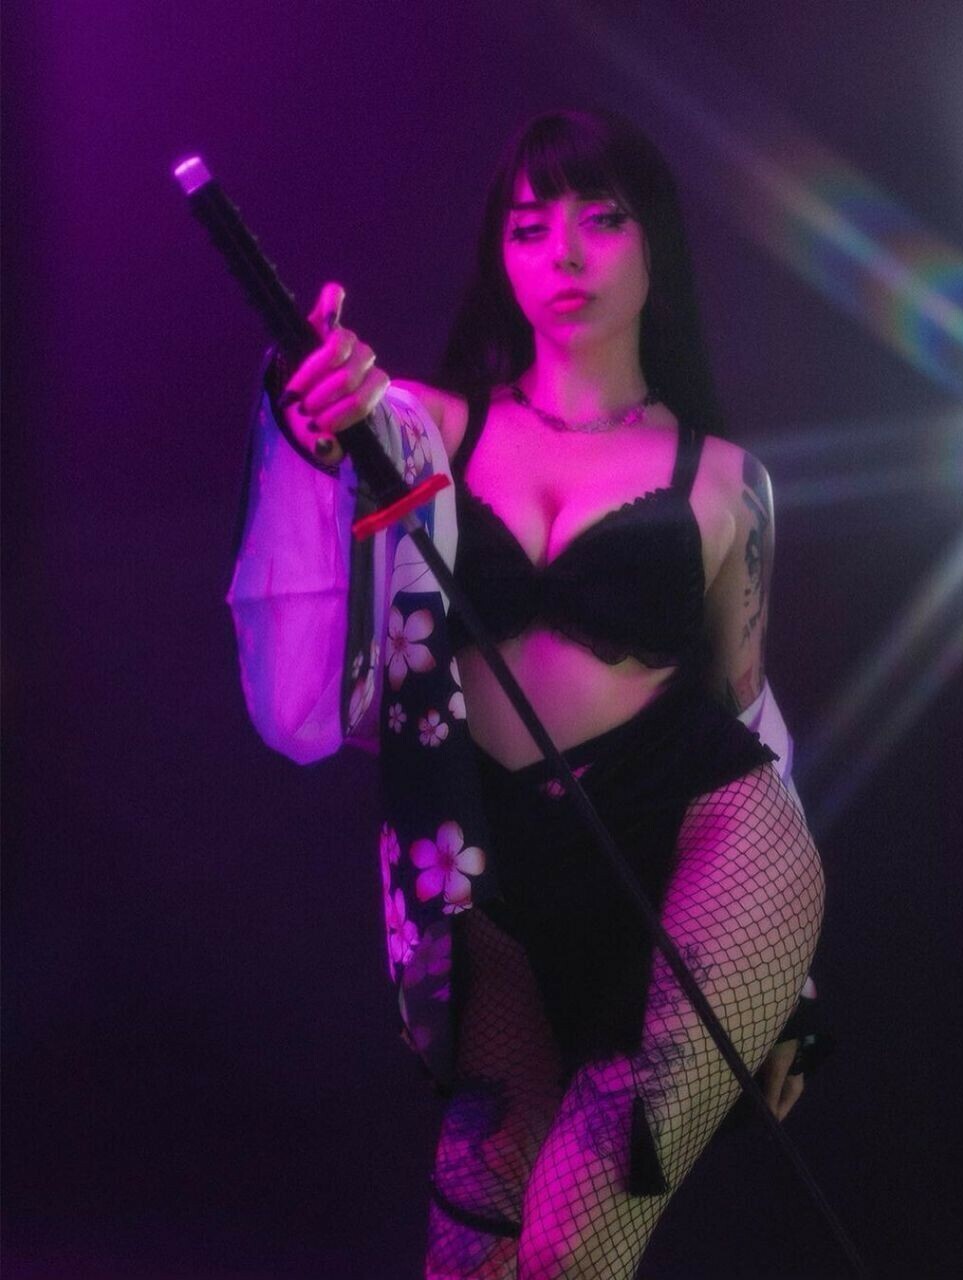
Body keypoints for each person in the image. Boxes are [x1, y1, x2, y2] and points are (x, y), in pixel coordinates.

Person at [230, 109, 826, 1279]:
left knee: (570, 1243)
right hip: (499, 874)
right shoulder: (419, 427)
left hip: (702, 838)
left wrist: (777, 977)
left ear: (654, 244)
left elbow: (746, 711)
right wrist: (304, 423)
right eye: (527, 225)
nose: (563, 252)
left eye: (601, 219)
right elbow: (302, 677)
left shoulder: (723, 479)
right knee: (473, 1255)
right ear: (497, 256)